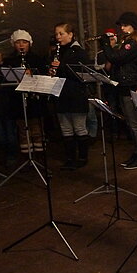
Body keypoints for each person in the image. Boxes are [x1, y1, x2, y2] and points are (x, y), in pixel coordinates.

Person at [100, 12, 137, 170]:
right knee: (131, 123)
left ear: (133, 26)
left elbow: (116, 58)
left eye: (125, 25)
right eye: (121, 25)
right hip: (123, 86)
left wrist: (106, 44)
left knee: (136, 124)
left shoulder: (133, 42)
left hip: (131, 86)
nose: (122, 28)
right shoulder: (127, 41)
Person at [50, 23, 91, 170]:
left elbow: (80, 72)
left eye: (61, 34)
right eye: (56, 34)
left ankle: (82, 157)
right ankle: (70, 157)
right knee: (66, 128)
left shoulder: (79, 52)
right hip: (61, 94)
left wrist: (60, 66)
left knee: (79, 127)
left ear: (71, 34)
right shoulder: (57, 51)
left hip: (76, 94)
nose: (58, 37)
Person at [2, 30, 47, 160]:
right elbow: (6, 79)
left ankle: (39, 156)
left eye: (24, 42)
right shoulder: (9, 61)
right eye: (18, 42)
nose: (21, 45)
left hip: (34, 99)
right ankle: (27, 157)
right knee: (22, 129)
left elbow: (43, 76)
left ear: (29, 44)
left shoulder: (37, 59)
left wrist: (32, 73)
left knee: (36, 128)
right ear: (13, 44)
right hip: (17, 99)